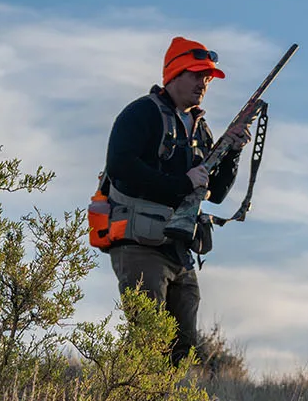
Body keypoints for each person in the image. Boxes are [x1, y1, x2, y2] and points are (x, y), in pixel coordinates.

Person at [102, 36, 253, 363]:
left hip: (179, 250)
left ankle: (161, 398)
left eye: (207, 78)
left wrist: (233, 152)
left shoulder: (201, 129)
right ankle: (120, 397)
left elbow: (216, 193)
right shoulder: (142, 113)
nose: (203, 83)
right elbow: (120, 167)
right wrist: (181, 183)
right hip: (139, 245)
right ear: (174, 73)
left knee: (182, 348)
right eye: (197, 74)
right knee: (148, 341)